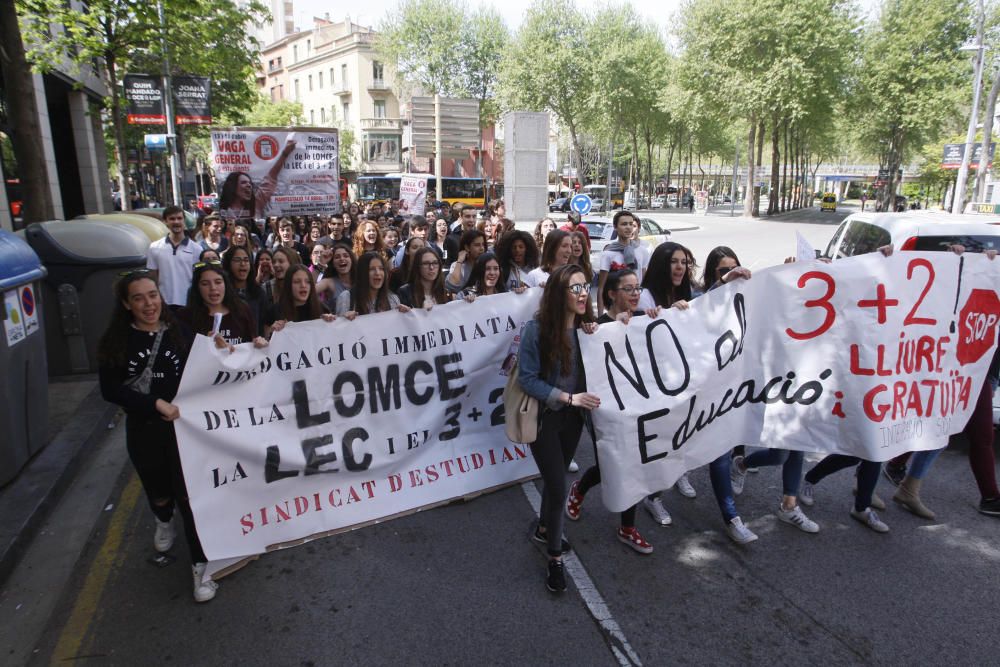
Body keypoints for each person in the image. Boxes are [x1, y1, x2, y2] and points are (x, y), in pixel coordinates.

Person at [97, 270, 218, 602]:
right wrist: (153, 404)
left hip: (184, 433)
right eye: (139, 297)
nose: (149, 303)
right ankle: (162, 518)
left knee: (189, 500)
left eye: (153, 295)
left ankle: (200, 569)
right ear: (126, 304)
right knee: (161, 494)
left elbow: (208, 357)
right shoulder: (115, 343)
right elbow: (110, 391)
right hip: (145, 433)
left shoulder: (178, 331)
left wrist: (226, 349)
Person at [517, 264, 599, 592]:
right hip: (546, 418)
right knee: (557, 485)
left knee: (555, 480)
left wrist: (614, 325)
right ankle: (554, 557)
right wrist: (568, 398)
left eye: (584, 287)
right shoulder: (536, 330)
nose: (582, 294)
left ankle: (541, 529)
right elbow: (527, 379)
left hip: (573, 420)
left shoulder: (588, 329)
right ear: (557, 294)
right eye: (574, 288)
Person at [565, 270, 654, 554]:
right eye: (628, 289)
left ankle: (627, 527)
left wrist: (671, 313)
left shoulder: (644, 319)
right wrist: (595, 331)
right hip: (603, 409)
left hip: (637, 408)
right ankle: (580, 489)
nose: (635, 294)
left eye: (637, 288)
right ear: (612, 293)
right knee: (612, 463)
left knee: (631, 462)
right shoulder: (596, 326)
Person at [177, 261, 260, 347]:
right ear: (197, 288)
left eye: (218, 282)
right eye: (205, 284)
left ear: (225, 284)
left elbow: (252, 343)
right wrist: (205, 345)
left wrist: (260, 344)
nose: (213, 288)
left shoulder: (242, 310)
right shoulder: (185, 316)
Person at [217, 140, 295, 221]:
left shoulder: (256, 204)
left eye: (250, 183)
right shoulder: (223, 211)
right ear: (232, 187)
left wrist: (285, 154)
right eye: (243, 182)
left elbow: (271, 177)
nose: (249, 185)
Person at [596, 211, 650, 317]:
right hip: (617, 308)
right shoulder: (608, 253)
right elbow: (601, 287)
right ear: (615, 227)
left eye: (631, 224)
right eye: (624, 224)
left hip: (638, 306)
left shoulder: (642, 251)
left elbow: (644, 282)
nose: (628, 227)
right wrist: (600, 316)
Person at [146, 205, 199, 307]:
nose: (176, 222)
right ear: (165, 222)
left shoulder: (197, 249)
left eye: (179, 218)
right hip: (164, 304)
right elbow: (152, 278)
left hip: (189, 304)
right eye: (172, 219)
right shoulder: (154, 247)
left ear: (184, 221)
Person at [265, 265, 336, 336]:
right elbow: (265, 341)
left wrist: (331, 323)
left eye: (308, 282)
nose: (303, 285)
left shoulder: (322, 309)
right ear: (288, 285)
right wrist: (272, 331)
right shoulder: (274, 311)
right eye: (297, 282)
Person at [335, 252, 411, 318]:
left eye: (381, 269)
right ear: (362, 273)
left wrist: (405, 316)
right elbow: (339, 331)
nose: (377, 273)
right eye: (371, 269)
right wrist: (344, 320)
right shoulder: (347, 298)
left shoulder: (393, 299)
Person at [223, 246, 268, 337]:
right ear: (228, 264)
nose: (243, 264)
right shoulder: (222, 293)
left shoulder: (259, 293)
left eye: (246, 260)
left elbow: (263, 325)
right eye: (237, 260)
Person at [316, 243, 355, 310]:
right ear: (333, 264)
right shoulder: (328, 282)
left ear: (351, 260)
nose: (342, 259)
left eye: (346, 256)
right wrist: (321, 263)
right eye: (337, 257)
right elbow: (309, 291)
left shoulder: (361, 279)